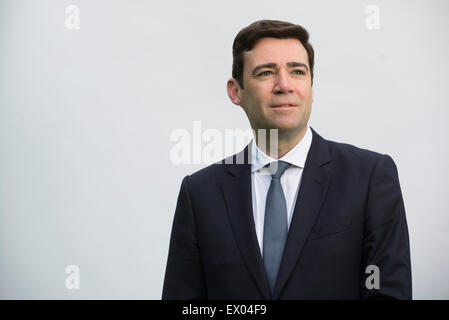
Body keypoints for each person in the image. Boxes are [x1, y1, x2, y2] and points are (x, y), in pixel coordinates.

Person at [162, 19, 412, 300]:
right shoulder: (200, 193)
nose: (284, 85)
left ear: (311, 88)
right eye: (266, 72)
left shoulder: (369, 178)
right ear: (236, 92)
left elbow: (387, 292)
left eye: (297, 71)